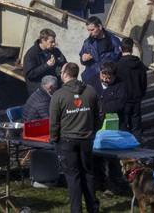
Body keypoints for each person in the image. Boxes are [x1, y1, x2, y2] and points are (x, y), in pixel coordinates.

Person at [49, 62, 100, 213]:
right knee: (88, 174)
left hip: (67, 141)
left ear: (65, 74)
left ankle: (76, 210)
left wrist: (54, 138)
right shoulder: (91, 91)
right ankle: (93, 208)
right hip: (86, 140)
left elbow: (53, 122)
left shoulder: (58, 95)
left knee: (73, 177)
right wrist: (93, 131)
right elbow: (98, 115)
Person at [115, 37, 147, 139]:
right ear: (132, 49)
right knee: (136, 124)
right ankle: (138, 144)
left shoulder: (118, 65)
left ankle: (125, 147)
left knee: (124, 124)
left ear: (120, 48)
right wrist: (141, 95)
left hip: (123, 100)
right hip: (136, 99)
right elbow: (144, 82)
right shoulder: (140, 64)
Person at [79, 17, 122, 86]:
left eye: (92, 30)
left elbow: (119, 58)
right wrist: (83, 59)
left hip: (107, 79)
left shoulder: (113, 40)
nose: (90, 33)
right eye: (88, 30)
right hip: (91, 78)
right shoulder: (87, 43)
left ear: (100, 27)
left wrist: (108, 59)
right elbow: (82, 58)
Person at [23, 28, 67, 94]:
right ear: (43, 40)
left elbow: (64, 63)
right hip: (38, 89)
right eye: (51, 42)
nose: (54, 44)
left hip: (53, 85)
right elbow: (30, 74)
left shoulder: (55, 51)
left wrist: (66, 70)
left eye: (54, 41)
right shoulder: (31, 54)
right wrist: (46, 65)